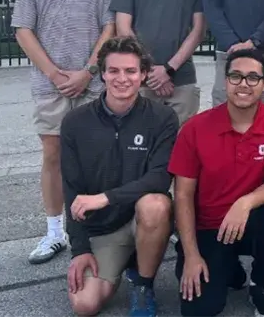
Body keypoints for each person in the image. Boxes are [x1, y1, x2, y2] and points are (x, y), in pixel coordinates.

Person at [11, 0, 116, 264]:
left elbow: (110, 26)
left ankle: (98, 227)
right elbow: (23, 29)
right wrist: (55, 74)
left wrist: (88, 71)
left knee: (96, 156)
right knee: (53, 155)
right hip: (49, 84)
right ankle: (55, 232)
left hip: (93, 83)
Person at [169, 49, 264, 317]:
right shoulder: (195, 128)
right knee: (199, 310)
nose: (243, 84)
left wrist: (244, 203)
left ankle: (259, 282)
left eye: (253, 77)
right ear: (226, 80)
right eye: (236, 76)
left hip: (252, 221)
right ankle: (228, 267)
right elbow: (182, 195)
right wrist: (192, 255)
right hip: (208, 227)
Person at [61, 36, 178, 317]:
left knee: (156, 204)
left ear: (144, 74)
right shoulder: (75, 122)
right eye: (113, 70)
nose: (122, 79)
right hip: (102, 228)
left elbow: (160, 178)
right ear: (102, 73)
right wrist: (80, 250)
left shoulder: (162, 118)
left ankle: (143, 283)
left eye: (130, 71)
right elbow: (71, 188)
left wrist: (105, 197)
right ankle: (126, 258)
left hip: (142, 218)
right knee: (84, 306)